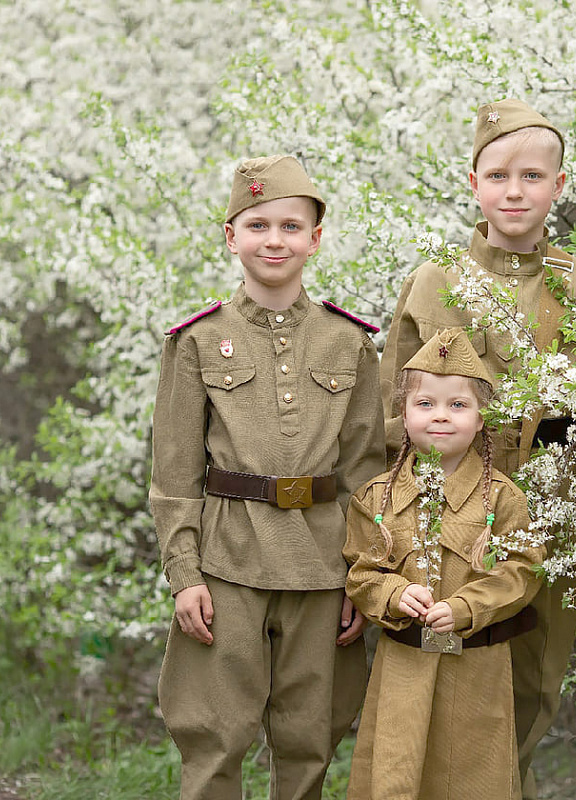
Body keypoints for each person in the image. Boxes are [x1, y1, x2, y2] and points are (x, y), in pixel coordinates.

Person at [378, 98, 576, 798]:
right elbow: (394, 416)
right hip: (453, 520)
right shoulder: (437, 282)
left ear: (559, 186)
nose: (516, 192)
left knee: (534, 687)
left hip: (552, 515)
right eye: (499, 175)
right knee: (451, 682)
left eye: (533, 176)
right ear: (472, 182)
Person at [149, 154, 385, 800]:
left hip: (322, 565)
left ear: (315, 237)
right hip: (226, 563)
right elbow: (173, 475)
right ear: (231, 236)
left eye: (289, 225)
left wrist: (363, 576)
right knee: (214, 736)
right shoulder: (197, 341)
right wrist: (184, 574)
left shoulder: (349, 342)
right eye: (257, 225)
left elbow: (368, 471)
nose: (273, 239)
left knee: (310, 737)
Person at [344, 327, 544, 799]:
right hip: (403, 665)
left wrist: (468, 607)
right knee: (396, 773)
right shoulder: (377, 498)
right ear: (403, 414)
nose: (440, 417)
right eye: (425, 404)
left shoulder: (503, 498)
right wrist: (393, 594)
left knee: (472, 778)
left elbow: (521, 571)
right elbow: (360, 570)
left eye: (458, 405)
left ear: (481, 418)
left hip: (476, 669)